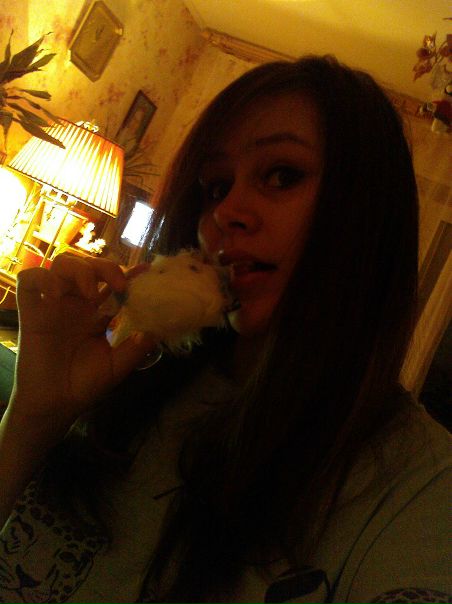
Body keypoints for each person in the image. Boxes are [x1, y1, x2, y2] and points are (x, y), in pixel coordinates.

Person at [0, 55, 450, 604]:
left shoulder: (422, 488)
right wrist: (36, 413)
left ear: (368, 215)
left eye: (281, 175)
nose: (226, 212)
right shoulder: (133, 382)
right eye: (215, 187)